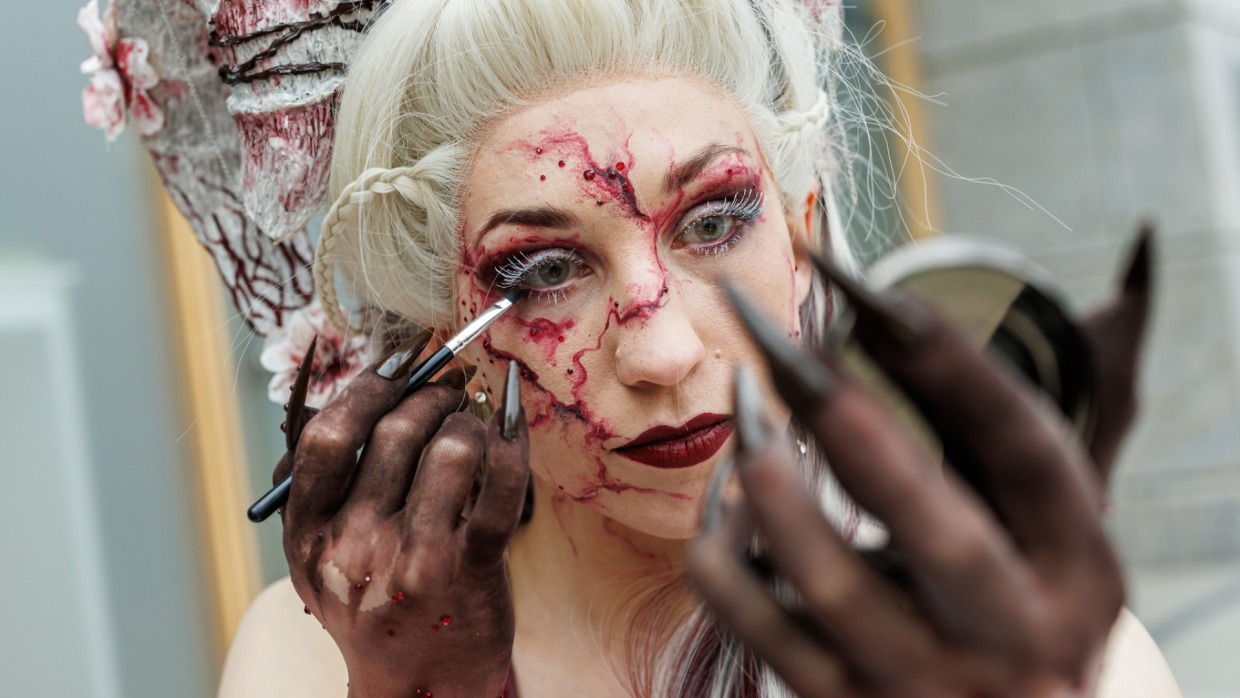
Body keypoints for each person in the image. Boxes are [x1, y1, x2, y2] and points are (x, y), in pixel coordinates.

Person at [218, 0, 1182, 695]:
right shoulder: (319, 663)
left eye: (716, 222)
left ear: (803, 240)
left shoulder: (1025, 647)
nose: (664, 351)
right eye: (546, 271)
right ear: (449, 340)